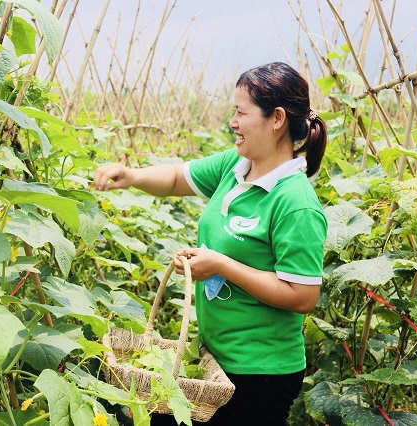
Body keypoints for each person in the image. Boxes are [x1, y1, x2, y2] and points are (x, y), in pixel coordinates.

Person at [93, 62, 328, 426]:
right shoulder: (237, 166)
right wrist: (132, 176)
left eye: (240, 112)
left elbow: (302, 296)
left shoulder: (294, 201)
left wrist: (221, 265)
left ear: (277, 118)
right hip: (214, 360)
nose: (232, 122)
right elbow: (175, 178)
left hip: (261, 374)